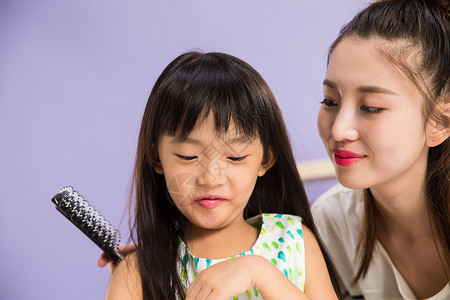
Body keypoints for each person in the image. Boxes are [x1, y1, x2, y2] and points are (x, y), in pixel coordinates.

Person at [105, 51, 342, 299]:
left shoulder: (294, 242)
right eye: (188, 156)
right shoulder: (137, 275)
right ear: (156, 158)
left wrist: (259, 273)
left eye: (235, 157)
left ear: (265, 160)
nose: (210, 178)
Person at [311, 0, 450, 299]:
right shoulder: (332, 221)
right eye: (330, 101)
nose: (338, 130)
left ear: (439, 122)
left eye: (371, 107)